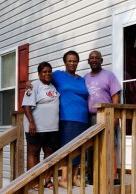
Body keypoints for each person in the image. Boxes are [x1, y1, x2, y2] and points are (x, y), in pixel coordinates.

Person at [52, 50, 89, 188]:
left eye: (75, 61)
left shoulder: (82, 80)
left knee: (79, 149)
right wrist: (30, 85)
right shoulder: (58, 75)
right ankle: (64, 179)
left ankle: (74, 177)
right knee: (68, 148)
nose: (72, 63)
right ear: (65, 62)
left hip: (83, 118)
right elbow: (44, 78)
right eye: (70, 61)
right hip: (67, 117)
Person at [84, 50, 122, 185]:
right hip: (90, 116)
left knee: (111, 144)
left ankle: (114, 176)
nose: (94, 60)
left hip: (107, 115)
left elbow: (116, 96)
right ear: (88, 61)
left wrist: (115, 116)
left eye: (97, 58)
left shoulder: (109, 76)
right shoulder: (85, 78)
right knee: (91, 147)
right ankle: (92, 176)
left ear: (101, 60)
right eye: (91, 58)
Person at [22, 62, 60, 190]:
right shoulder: (33, 87)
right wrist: (31, 122)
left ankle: (47, 180)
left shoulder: (53, 87)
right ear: (39, 74)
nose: (47, 74)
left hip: (52, 128)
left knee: (49, 154)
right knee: (34, 153)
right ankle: (34, 181)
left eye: (49, 71)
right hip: (36, 127)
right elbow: (26, 106)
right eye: (44, 72)